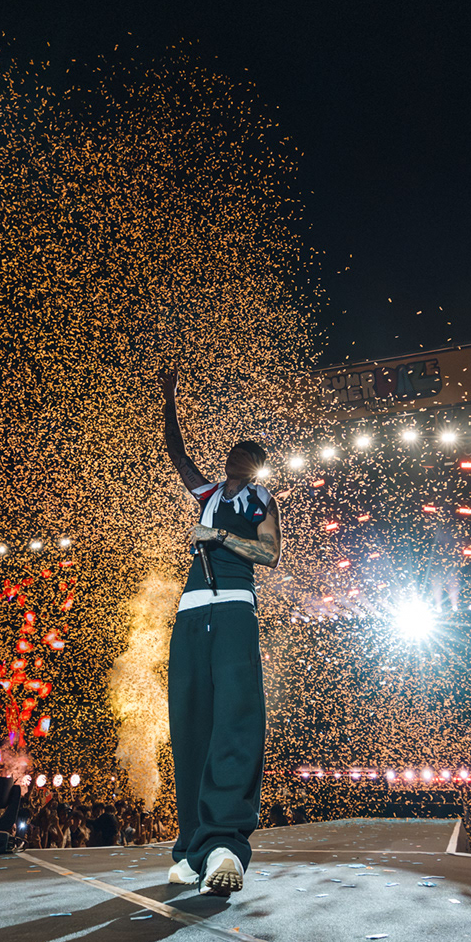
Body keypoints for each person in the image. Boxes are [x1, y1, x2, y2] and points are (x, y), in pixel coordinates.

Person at [158, 366, 281, 898]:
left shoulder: (259, 500)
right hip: (191, 612)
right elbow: (177, 453)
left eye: (249, 455)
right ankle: (193, 846)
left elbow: (270, 554)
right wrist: (169, 399)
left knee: (235, 718)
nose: (239, 457)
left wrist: (219, 537)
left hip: (233, 609)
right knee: (190, 723)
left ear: (255, 468)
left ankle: (226, 842)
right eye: (236, 451)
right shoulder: (207, 491)